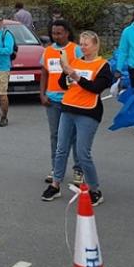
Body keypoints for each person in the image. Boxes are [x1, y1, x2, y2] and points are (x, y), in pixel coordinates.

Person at [42, 30, 112, 207]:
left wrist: (75, 76)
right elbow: (61, 84)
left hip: (88, 112)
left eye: (86, 44)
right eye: (81, 43)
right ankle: (56, 184)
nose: (83, 47)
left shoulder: (103, 65)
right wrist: (67, 75)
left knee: (82, 152)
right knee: (61, 148)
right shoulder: (75, 61)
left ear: (95, 45)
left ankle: (95, 190)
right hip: (69, 108)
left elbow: (96, 88)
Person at [39, 19, 84, 185]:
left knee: (74, 136)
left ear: (67, 33)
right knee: (55, 136)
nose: (56, 36)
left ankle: (78, 170)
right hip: (53, 100)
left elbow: (82, 73)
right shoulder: (48, 51)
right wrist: (42, 94)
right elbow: (44, 73)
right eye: (53, 33)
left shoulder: (76, 50)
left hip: (72, 100)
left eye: (59, 33)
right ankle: (56, 169)